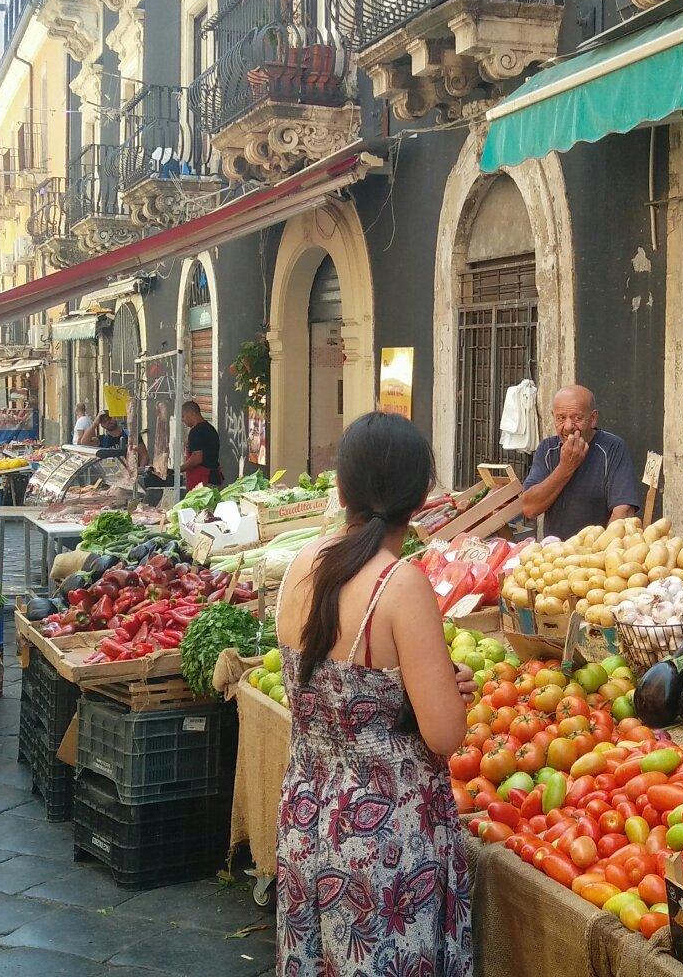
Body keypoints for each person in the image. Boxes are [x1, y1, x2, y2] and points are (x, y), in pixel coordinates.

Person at [274, 412, 475, 974]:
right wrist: (444, 693)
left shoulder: (299, 567)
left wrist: (418, 689)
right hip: (386, 842)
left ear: (342, 488)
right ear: (420, 498)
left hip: (306, 821)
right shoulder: (399, 584)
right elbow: (444, 734)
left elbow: (328, 694)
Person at [520, 385, 644, 541]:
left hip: (598, 552)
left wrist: (600, 551)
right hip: (554, 554)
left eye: (577, 418)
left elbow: (623, 511)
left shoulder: (612, 447)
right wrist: (566, 467)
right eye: (560, 418)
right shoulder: (547, 449)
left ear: (593, 419)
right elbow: (529, 508)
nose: (568, 427)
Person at [181, 400, 222, 490]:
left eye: (183, 416)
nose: (182, 420)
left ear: (191, 413)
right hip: (213, 478)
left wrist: (179, 469)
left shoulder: (196, 432)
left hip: (203, 482)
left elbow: (197, 458)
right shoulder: (210, 429)